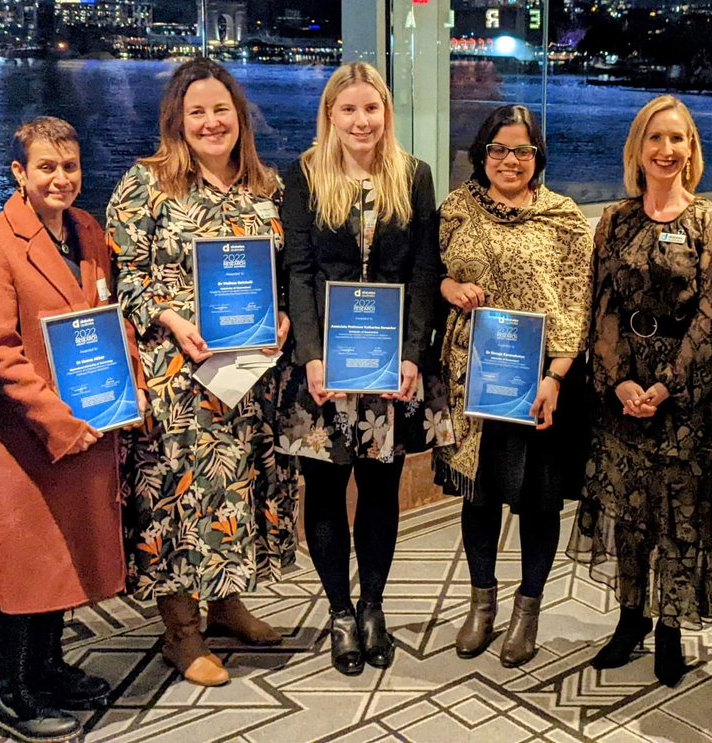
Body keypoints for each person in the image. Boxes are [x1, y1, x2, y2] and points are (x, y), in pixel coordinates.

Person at [106, 57, 298, 688]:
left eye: (222, 110)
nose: (211, 122)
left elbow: (283, 277)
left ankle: (229, 604)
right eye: (197, 112)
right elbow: (125, 279)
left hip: (247, 379)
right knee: (178, 503)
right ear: (177, 120)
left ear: (239, 117)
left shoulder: (267, 188)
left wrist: (284, 321)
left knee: (236, 492)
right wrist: (170, 318)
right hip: (178, 380)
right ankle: (181, 634)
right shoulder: (146, 185)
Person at [0, 117, 134, 741]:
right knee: (25, 564)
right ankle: (14, 693)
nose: (61, 179)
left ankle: (52, 668)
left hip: (90, 423)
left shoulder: (89, 231)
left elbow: (110, 319)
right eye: (47, 168)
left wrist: (126, 395)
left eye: (70, 167)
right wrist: (59, 423)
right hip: (29, 438)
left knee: (63, 555)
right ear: (19, 173)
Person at [278, 62, 453, 676]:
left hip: (391, 367)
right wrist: (311, 357)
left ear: (386, 114)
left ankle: (373, 607)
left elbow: (425, 271)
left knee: (381, 490)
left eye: (371, 109)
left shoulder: (415, 177)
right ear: (330, 114)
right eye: (347, 109)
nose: (361, 121)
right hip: (325, 365)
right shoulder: (302, 176)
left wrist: (412, 353)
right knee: (324, 490)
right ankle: (340, 614)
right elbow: (298, 273)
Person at [566, 95, 712, 687]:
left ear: (692, 150)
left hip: (683, 398)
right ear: (638, 149)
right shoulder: (614, 221)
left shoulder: (710, 223)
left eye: (678, 139)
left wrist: (664, 386)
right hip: (623, 391)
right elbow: (603, 308)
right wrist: (619, 383)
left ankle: (670, 629)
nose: (667, 150)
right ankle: (631, 617)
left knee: (678, 514)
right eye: (655, 139)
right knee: (630, 510)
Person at [434, 104, 593, 668]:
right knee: (479, 497)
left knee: (538, 502)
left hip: (542, 382)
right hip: (474, 380)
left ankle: (528, 610)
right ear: (481, 153)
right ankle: (482, 604)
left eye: (522, 150)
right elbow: (432, 275)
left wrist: (556, 374)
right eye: (499, 149)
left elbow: (578, 301)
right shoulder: (456, 208)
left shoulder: (563, 217)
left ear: (537, 156)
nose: (510, 160)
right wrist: (450, 286)